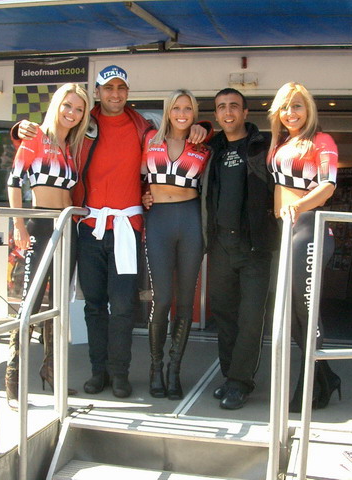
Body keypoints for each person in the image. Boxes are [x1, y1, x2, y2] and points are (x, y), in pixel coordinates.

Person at [16, 65, 207, 398]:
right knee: (94, 305)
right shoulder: (82, 123)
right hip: (88, 227)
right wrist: (18, 129)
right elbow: (49, 136)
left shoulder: (143, 127)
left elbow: (170, 142)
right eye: (108, 88)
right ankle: (98, 372)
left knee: (122, 307)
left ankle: (120, 374)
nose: (114, 94)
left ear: (127, 93)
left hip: (126, 230)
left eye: (120, 88)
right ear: (98, 92)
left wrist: (201, 127)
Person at [5, 83, 90, 409]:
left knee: (58, 304)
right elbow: (14, 181)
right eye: (68, 105)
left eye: (79, 109)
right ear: (57, 105)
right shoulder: (35, 136)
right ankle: (13, 381)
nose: (72, 113)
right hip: (39, 226)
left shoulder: (71, 146)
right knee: (30, 302)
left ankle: (50, 371)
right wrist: (18, 225)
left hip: (68, 227)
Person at [266, 81, 341, 412]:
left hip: (309, 229)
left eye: (297, 105)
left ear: (309, 109)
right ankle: (326, 377)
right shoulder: (282, 143)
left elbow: (328, 186)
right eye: (284, 107)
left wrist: (297, 206)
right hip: (286, 231)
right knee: (294, 316)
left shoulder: (322, 141)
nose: (290, 112)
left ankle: (308, 386)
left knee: (305, 313)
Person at [204, 88, 279, 409]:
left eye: (234, 106)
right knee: (224, 315)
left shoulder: (265, 146)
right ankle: (229, 376)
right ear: (216, 114)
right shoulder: (212, 148)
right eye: (222, 107)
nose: (228, 111)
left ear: (246, 112)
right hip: (220, 244)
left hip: (254, 246)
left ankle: (240, 382)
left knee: (250, 318)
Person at [141, 89, 212, 399]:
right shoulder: (149, 140)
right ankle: (155, 367)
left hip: (191, 220)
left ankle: (174, 371)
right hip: (158, 220)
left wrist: (206, 127)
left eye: (188, 108)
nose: (182, 114)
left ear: (194, 113)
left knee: (185, 301)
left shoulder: (203, 144)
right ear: (167, 111)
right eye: (176, 108)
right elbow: (135, 175)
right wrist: (142, 195)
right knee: (162, 299)